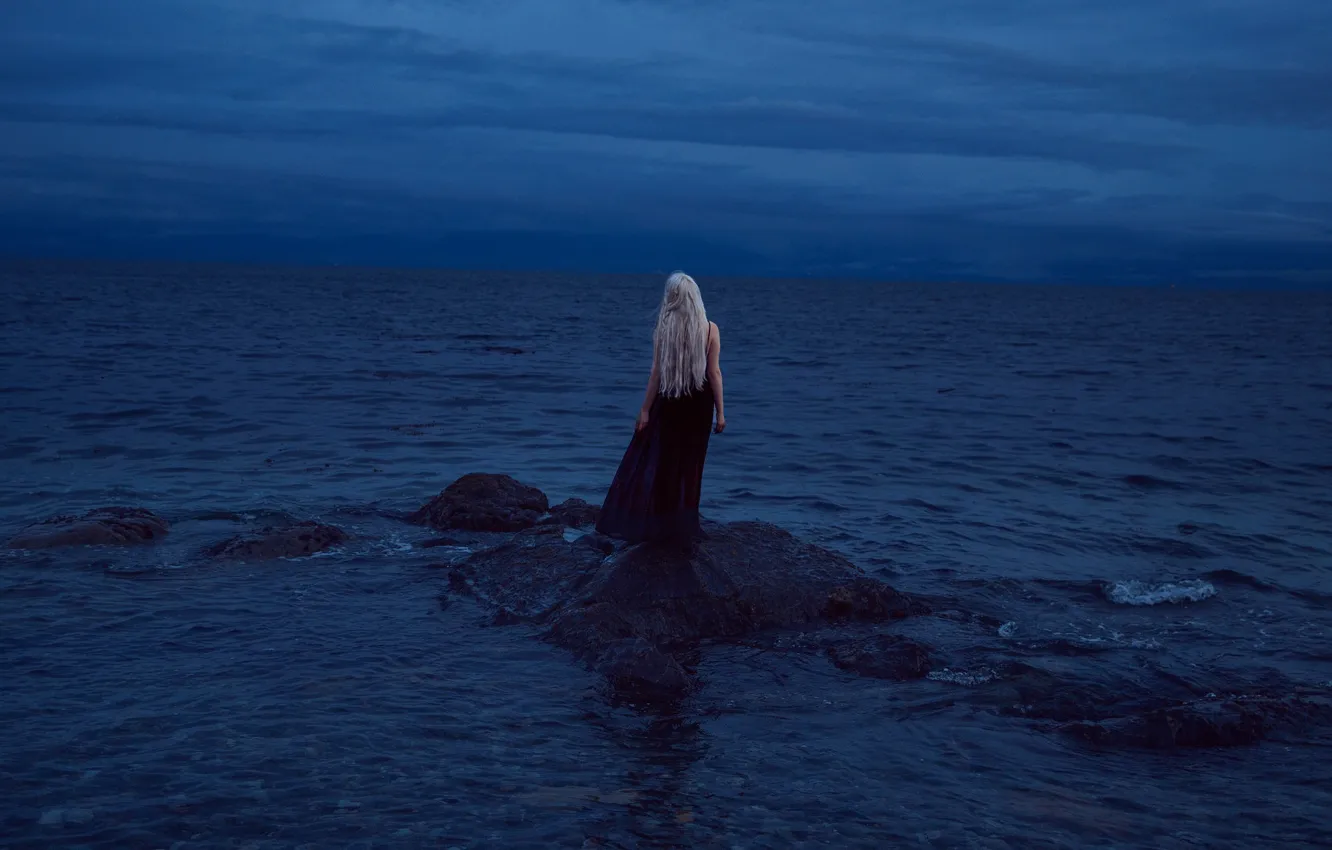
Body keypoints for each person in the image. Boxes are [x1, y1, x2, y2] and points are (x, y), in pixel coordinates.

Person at [596, 271, 725, 548]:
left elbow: (655, 373)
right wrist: (721, 412)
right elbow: (714, 373)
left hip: (670, 400)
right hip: (699, 404)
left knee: (664, 460)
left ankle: (660, 520)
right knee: (691, 463)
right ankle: (685, 522)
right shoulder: (711, 329)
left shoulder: (664, 329)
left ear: (673, 297)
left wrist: (644, 410)